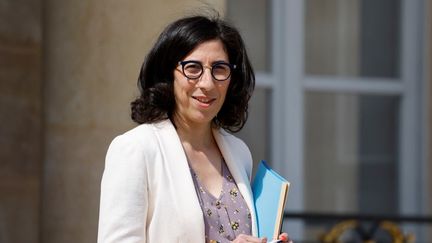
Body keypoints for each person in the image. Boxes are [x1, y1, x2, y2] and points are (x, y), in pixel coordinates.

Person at [97, 13, 291, 243]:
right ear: (168, 74)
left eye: (219, 68)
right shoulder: (135, 149)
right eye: (193, 68)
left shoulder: (239, 153)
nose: (207, 83)